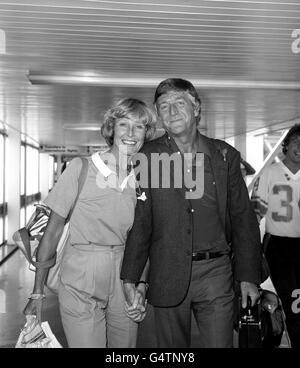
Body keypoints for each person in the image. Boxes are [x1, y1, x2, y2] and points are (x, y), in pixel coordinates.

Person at [120, 78, 262, 348]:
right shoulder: (147, 157)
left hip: (216, 274)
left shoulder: (224, 155)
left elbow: (243, 219)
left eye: (179, 103)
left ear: (197, 108)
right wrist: (133, 276)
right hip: (166, 270)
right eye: (163, 106)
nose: (171, 112)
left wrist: (248, 277)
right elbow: (141, 221)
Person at [23, 98, 155, 348]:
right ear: (111, 129)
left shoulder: (144, 177)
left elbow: (144, 237)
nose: (130, 133)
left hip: (125, 274)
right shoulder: (81, 168)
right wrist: (37, 291)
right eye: (123, 124)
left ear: (146, 134)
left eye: (138, 127)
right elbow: (51, 233)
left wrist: (141, 286)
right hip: (81, 272)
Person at [251, 124, 300, 348]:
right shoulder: (270, 173)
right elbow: (254, 214)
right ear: (286, 145)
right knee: (292, 300)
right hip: (279, 246)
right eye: (295, 141)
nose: (299, 146)